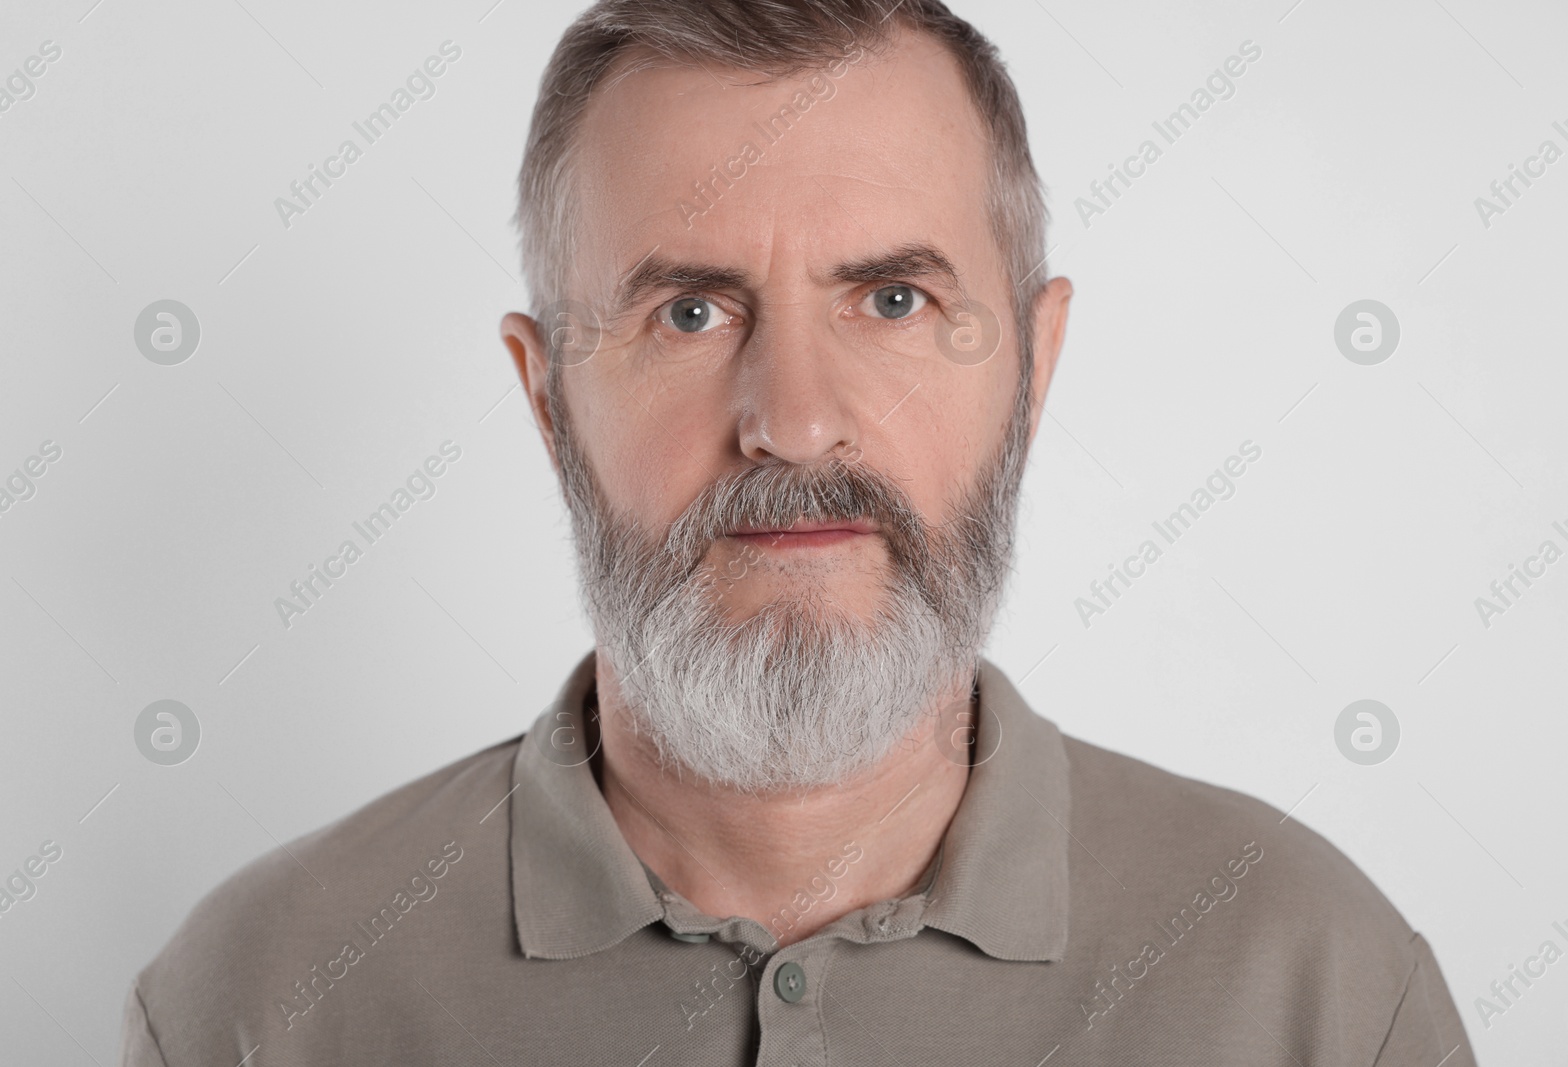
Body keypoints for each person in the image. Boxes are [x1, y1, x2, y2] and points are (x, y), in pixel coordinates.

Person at [119, 2, 1475, 1063]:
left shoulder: (1319, 986)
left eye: (889, 301)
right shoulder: (257, 1005)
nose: (795, 420)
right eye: (690, 314)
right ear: (548, 398)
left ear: (1034, 367)